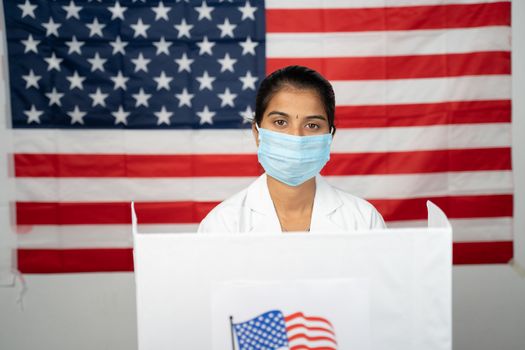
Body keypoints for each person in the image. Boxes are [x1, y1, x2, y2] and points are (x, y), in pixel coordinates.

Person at [198, 65, 386, 233]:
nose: (296, 137)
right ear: (257, 133)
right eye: (280, 122)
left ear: (329, 137)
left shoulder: (363, 221)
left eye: (312, 125)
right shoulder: (223, 226)